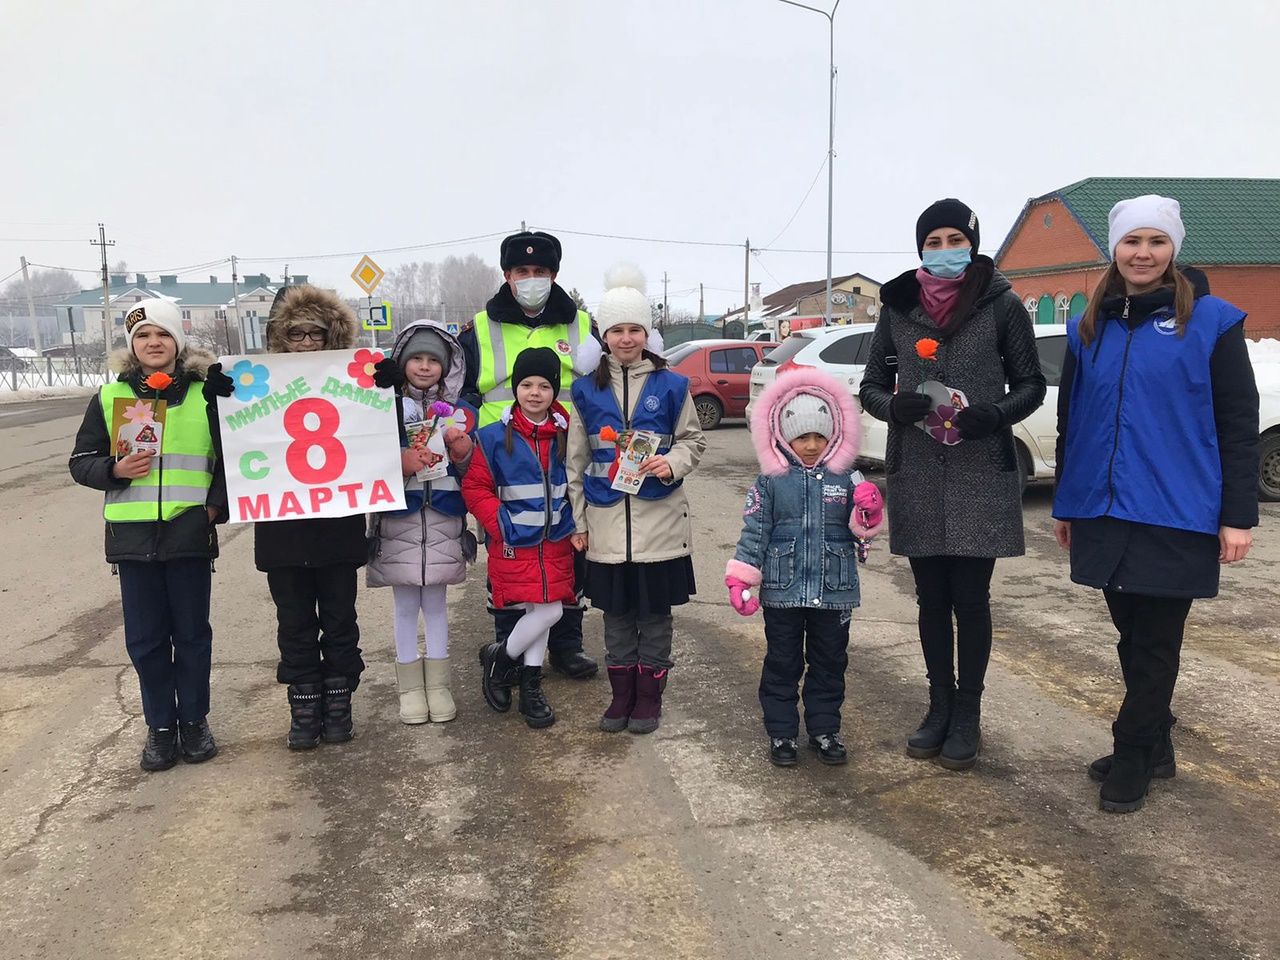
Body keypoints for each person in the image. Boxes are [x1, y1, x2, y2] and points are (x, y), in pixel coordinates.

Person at [1052, 195, 1259, 814]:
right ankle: (1157, 741)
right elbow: (1073, 418)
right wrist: (1067, 499)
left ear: (1174, 249)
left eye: (1156, 242)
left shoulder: (1213, 323)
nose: (1143, 253)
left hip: (1178, 507)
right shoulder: (1090, 324)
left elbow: (1237, 422)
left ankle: (1135, 750)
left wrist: (1237, 514)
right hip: (1104, 506)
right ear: (1114, 249)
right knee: (1129, 634)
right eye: (1131, 242)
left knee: (1156, 641)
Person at [859, 198, 1046, 771]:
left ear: (972, 243)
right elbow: (870, 386)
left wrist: (996, 414)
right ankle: (937, 706)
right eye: (932, 243)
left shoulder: (1003, 305)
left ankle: (968, 714)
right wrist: (895, 406)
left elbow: (1032, 384)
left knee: (971, 598)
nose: (944, 252)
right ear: (920, 249)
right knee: (931, 600)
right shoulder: (897, 307)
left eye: (953, 241)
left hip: (977, 472)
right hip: (917, 468)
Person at [205, 285, 366, 750]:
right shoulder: (256, 382)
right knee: (293, 622)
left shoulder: (352, 379)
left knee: (340, 619)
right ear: (280, 337)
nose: (307, 343)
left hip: (336, 525)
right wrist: (215, 403)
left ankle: (339, 700)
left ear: (331, 335)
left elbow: (376, 430)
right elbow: (231, 443)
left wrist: (387, 385)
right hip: (283, 529)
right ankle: (303, 703)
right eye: (296, 334)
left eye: (316, 333)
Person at [69, 298, 226, 771]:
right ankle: (160, 728)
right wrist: (114, 469)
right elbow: (81, 463)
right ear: (132, 345)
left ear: (177, 341)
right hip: (133, 542)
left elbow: (231, 458)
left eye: (161, 334)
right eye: (142, 336)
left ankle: (194, 722)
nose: (152, 343)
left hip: (189, 535)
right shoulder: (109, 397)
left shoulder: (207, 395)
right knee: (146, 640)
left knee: (193, 636)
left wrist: (214, 506)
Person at [567, 264, 706, 734]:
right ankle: (620, 697)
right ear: (603, 335)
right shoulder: (585, 390)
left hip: (659, 524)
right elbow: (576, 463)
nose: (626, 338)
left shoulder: (672, 385)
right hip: (606, 525)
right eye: (617, 330)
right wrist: (579, 524)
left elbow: (693, 441)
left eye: (635, 329)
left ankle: (649, 699)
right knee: (617, 616)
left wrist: (674, 462)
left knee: (655, 615)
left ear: (647, 332)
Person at [726, 368, 884, 766]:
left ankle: (824, 729)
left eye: (820, 436)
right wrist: (741, 577)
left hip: (834, 592)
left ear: (834, 435)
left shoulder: (848, 479)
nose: (811, 445)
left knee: (830, 662)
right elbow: (755, 532)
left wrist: (869, 512)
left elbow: (862, 535)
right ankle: (782, 734)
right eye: (802, 437)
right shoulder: (770, 482)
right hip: (783, 592)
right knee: (782, 662)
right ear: (782, 436)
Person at [460, 231, 598, 680]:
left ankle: (567, 645)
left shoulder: (581, 324)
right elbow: (463, 392)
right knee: (509, 557)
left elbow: (603, 384)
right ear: (508, 275)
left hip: (566, 453)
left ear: (554, 275)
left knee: (568, 554)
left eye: (541, 272)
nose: (531, 279)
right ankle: (509, 647)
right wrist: (460, 430)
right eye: (523, 272)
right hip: (503, 459)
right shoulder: (481, 328)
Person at [366, 320, 475, 724]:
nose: (425, 367)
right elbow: (368, 458)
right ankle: (410, 687)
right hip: (399, 519)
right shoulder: (383, 406)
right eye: (417, 359)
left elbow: (468, 467)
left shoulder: (460, 411)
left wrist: (461, 448)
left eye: (434, 360)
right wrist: (399, 460)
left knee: (437, 604)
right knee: (405, 604)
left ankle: (439, 683)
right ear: (403, 363)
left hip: (445, 516)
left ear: (447, 367)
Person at [463, 347, 576, 728]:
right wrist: (500, 524)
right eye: (526, 384)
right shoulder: (494, 437)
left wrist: (577, 525)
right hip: (514, 542)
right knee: (547, 611)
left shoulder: (567, 435)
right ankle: (506, 661)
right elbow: (476, 487)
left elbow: (577, 482)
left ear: (555, 391)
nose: (535, 392)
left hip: (555, 541)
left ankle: (525, 680)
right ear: (515, 388)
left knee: (543, 612)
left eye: (545, 385)